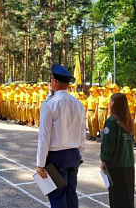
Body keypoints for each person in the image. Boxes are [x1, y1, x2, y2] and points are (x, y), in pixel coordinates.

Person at [36, 65, 86, 208]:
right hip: (73, 155)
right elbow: (82, 133)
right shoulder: (78, 104)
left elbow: (44, 135)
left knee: (58, 197)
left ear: (55, 82)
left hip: (56, 157)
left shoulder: (49, 104)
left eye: (51, 80)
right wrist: (79, 154)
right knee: (71, 195)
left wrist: (40, 164)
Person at [100, 93, 135, 208]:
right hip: (128, 163)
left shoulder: (111, 121)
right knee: (127, 195)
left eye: (110, 101)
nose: (109, 103)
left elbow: (108, 145)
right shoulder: (128, 120)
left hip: (116, 164)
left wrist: (103, 160)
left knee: (117, 197)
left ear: (114, 103)